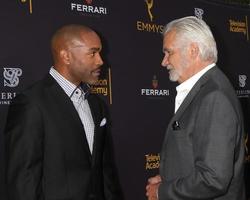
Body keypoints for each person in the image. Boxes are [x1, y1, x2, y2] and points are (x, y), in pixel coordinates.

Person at [5, 24, 123, 200]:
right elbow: (24, 179)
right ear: (66, 56)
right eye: (92, 53)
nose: (100, 61)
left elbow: (105, 171)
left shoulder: (95, 104)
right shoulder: (32, 103)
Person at [146, 16, 245, 200]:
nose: (164, 62)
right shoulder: (205, 89)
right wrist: (168, 179)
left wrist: (162, 192)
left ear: (193, 50)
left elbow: (213, 178)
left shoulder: (214, 97)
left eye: (169, 53)